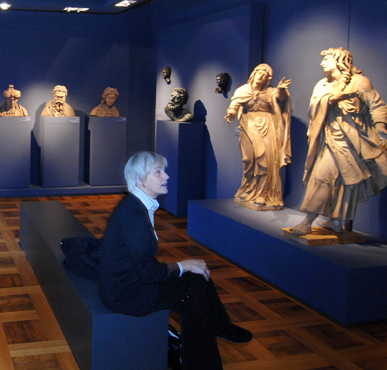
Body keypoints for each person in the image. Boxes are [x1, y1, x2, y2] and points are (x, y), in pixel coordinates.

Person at [99, 151, 252, 370]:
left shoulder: (137, 204)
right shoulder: (134, 216)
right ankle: (205, 357)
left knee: (198, 277)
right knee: (196, 299)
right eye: (158, 172)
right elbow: (148, 274)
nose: (166, 176)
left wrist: (186, 267)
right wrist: (184, 265)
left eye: (164, 171)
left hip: (129, 284)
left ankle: (220, 328)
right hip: (128, 294)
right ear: (140, 180)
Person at [291, 48, 387, 235]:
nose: (322, 63)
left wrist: (381, 130)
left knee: (342, 182)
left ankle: (321, 221)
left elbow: (377, 106)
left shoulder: (359, 82)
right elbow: (313, 110)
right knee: (323, 177)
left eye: (326, 59)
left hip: (353, 141)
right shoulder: (322, 85)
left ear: (340, 60)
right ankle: (328, 221)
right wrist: (332, 99)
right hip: (329, 139)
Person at [225, 64, 291, 209]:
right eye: (260, 72)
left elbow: (281, 98)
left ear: (268, 79)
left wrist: (281, 90)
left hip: (267, 126)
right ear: (254, 74)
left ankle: (262, 193)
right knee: (248, 159)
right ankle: (249, 188)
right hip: (248, 126)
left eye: (265, 75)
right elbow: (235, 104)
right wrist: (231, 113)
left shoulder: (271, 92)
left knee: (266, 159)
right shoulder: (243, 90)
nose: (262, 76)